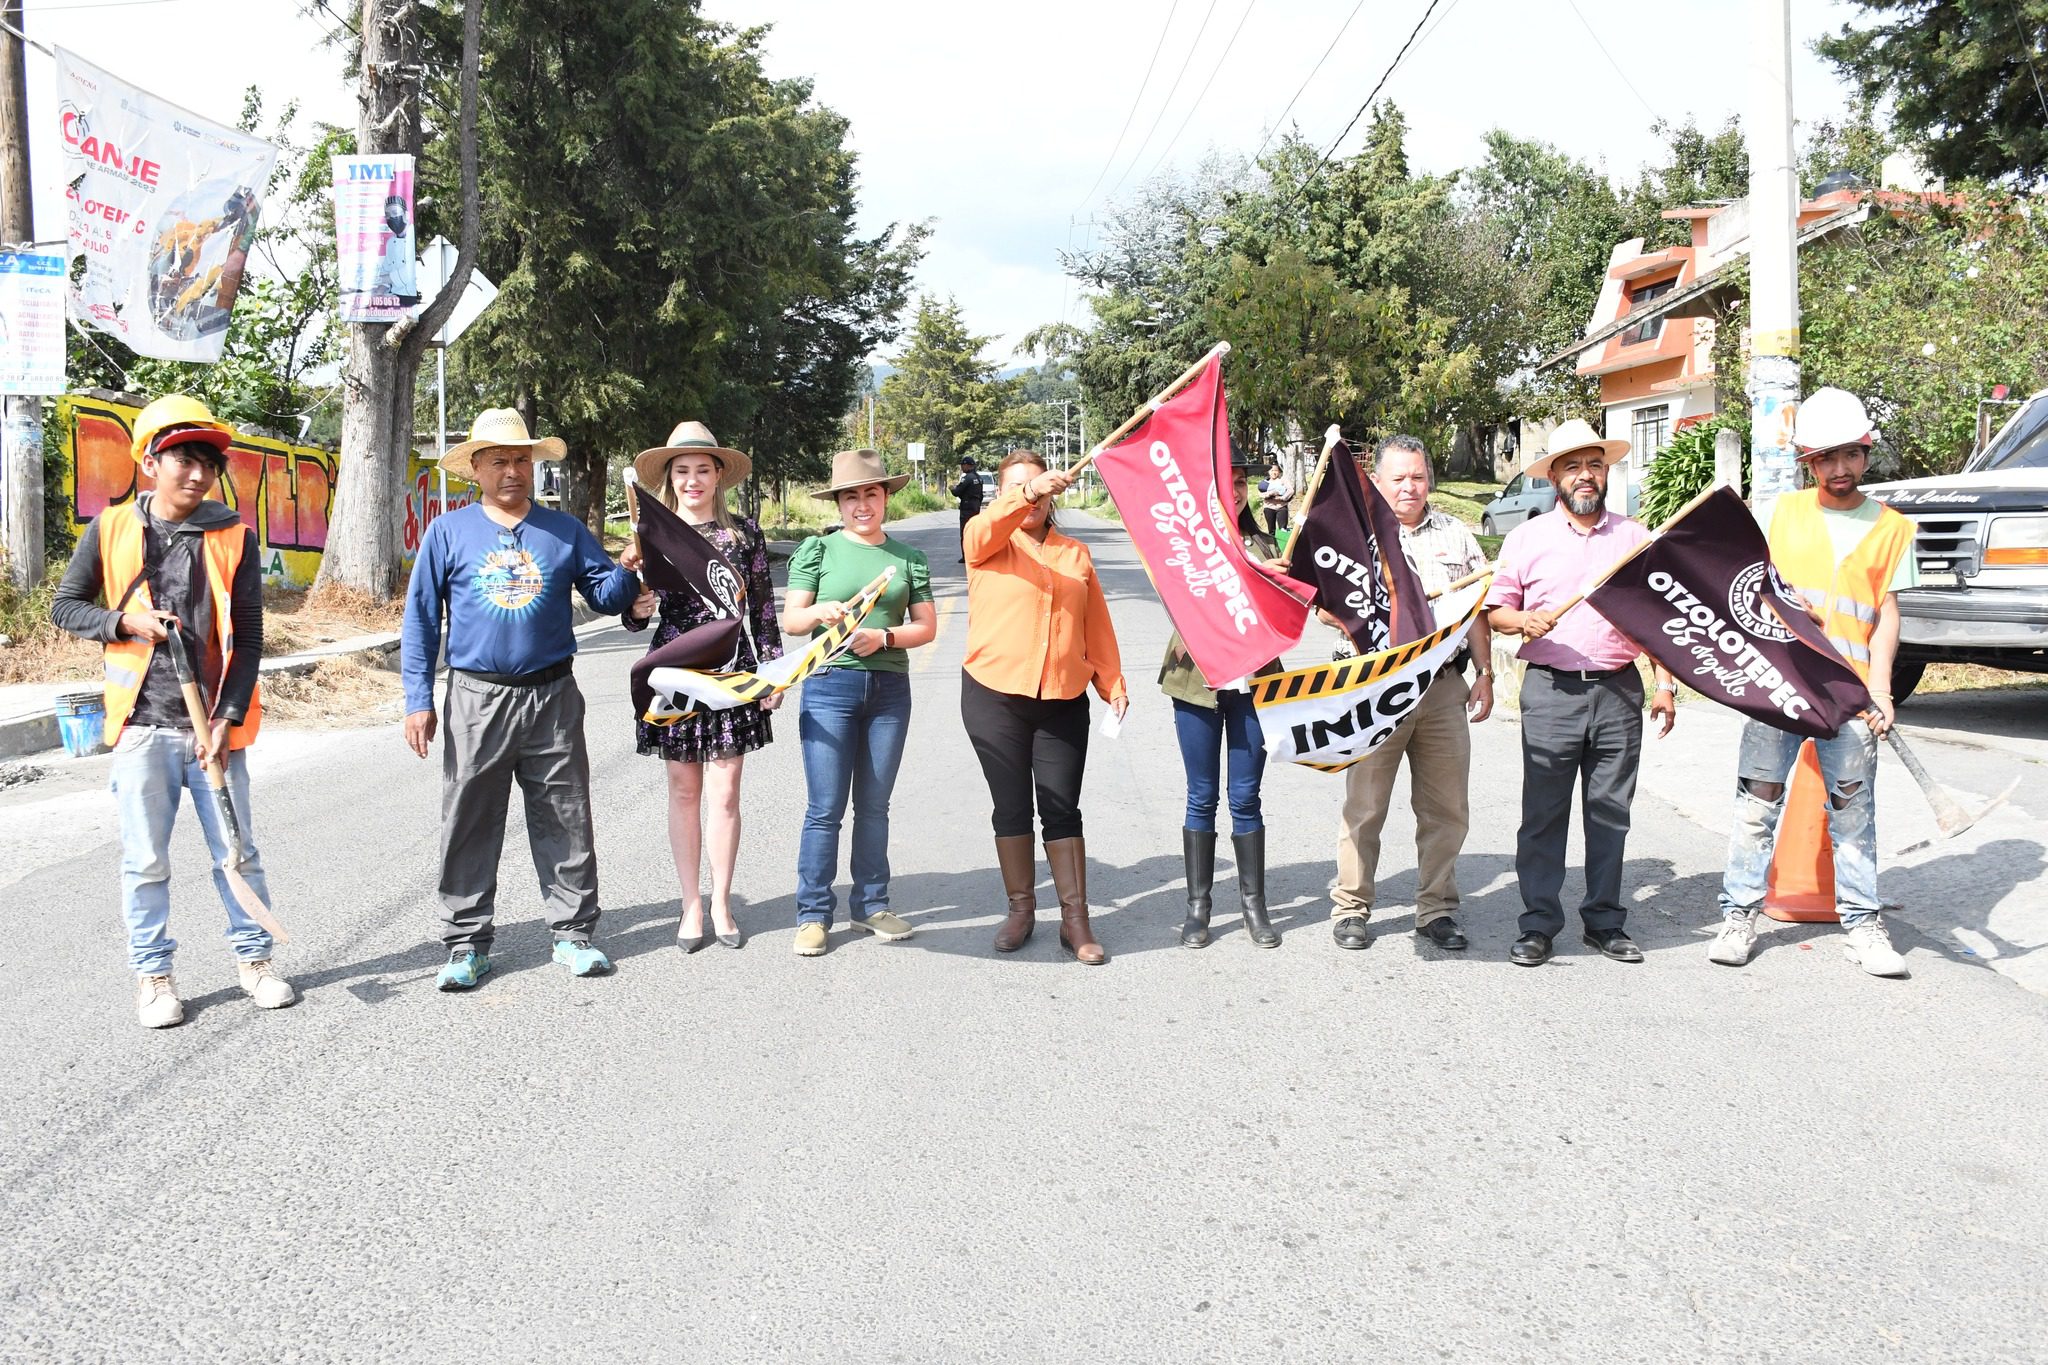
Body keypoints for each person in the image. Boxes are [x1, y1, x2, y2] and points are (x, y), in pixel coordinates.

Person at [50, 395, 294, 1028]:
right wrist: (121, 621)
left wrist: (226, 717)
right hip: (141, 728)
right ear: (150, 462)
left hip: (210, 727)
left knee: (237, 853)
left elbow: (248, 640)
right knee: (145, 862)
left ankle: (256, 963)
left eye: (208, 464)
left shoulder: (234, 536)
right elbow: (65, 606)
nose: (197, 474)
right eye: (183, 459)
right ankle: (154, 978)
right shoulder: (109, 530)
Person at [401, 408, 649, 990]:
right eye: (499, 461)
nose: (512, 470)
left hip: (552, 697)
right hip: (475, 698)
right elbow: (419, 621)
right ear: (477, 469)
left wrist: (630, 569)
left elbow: (606, 595)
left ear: (532, 465)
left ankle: (574, 934)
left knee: (564, 814)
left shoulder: (561, 530)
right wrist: (418, 697)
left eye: (520, 459)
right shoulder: (448, 533)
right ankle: (465, 942)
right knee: (468, 819)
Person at [1709, 388, 1917, 977]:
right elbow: (1747, 585)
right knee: (1757, 804)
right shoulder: (1781, 513)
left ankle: (1863, 926)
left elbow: (1886, 616)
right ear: (1809, 461)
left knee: (1853, 814)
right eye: (1826, 458)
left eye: (1850, 454)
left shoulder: (1893, 529)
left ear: (1866, 452)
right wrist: (1777, 601)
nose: (1839, 468)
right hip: (1779, 687)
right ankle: (1739, 914)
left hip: (1850, 698)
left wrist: (1881, 691)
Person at [1486, 420, 1677, 968]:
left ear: (1607, 471)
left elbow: (1657, 622)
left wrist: (1663, 685)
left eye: (1594, 464)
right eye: (1572, 466)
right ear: (1553, 477)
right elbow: (1494, 611)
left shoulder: (1635, 539)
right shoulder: (1527, 538)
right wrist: (1522, 620)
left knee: (1610, 812)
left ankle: (1605, 922)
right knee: (1544, 813)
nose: (1584, 475)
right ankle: (1539, 924)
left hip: (1619, 692)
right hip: (1550, 691)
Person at [963, 449, 1129, 964]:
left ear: (1056, 493)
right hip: (994, 696)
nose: (1030, 495)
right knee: (1010, 806)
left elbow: (1095, 621)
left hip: (1061, 698)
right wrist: (1026, 491)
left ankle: (1075, 921)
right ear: (1002, 493)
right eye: (1016, 487)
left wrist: (1112, 682)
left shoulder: (1074, 553)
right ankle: (1020, 910)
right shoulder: (986, 543)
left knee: (1061, 807)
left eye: (1037, 486)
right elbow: (981, 531)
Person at [1329, 435, 1494, 952]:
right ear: (1377, 481)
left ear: (1430, 480)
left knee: (1446, 809)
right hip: (1375, 688)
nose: (1409, 486)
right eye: (1398, 477)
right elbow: (1322, 605)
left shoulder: (1455, 534)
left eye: (1418, 476)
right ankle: (1352, 907)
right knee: (1365, 805)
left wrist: (1486, 673)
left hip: (1443, 689)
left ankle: (1437, 909)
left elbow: (1478, 609)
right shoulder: (1353, 536)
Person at [623, 421, 783, 952]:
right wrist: (635, 606)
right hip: (674, 673)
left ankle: (722, 901)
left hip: (731, 672)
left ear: (719, 476)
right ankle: (690, 903)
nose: (693, 480)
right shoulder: (651, 536)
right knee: (684, 789)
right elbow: (638, 615)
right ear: (670, 478)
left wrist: (773, 672)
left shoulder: (744, 535)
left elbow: (761, 609)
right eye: (682, 471)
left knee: (727, 791)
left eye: (703, 470)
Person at [780, 449, 939, 957]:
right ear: (840, 502)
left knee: (874, 806)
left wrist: (886, 638)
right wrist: (820, 612)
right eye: (852, 496)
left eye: (871, 493)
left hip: (890, 691)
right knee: (825, 808)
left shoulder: (908, 558)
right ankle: (812, 914)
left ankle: (871, 904)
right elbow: (791, 621)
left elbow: (926, 626)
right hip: (829, 686)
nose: (862, 504)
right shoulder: (817, 551)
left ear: (886, 497)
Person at [1161, 449, 1286, 948]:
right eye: (1223, 482)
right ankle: (1199, 909)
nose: (1233, 490)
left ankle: (1254, 906)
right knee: (1201, 796)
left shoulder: (1265, 540)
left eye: (1239, 483)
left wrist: (1276, 581)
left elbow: (1286, 610)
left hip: (1256, 683)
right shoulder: (1186, 542)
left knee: (1246, 797)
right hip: (1196, 679)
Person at [950, 455, 985, 562]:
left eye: (962, 465)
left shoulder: (967, 478)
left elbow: (957, 492)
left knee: (965, 532)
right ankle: (977, 554)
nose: (961, 467)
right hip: (976, 507)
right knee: (975, 531)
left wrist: (952, 488)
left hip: (967, 508)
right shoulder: (978, 478)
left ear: (967, 465)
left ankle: (966, 556)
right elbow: (980, 494)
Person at [1260, 459, 1294, 537]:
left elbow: (1290, 490)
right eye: (1271, 470)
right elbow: (1261, 494)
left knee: (1283, 529)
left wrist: (1282, 498)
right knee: (1271, 530)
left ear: (1279, 472)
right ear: (1268, 472)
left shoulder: (1283, 480)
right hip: (1268, 507)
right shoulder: (1265, 483)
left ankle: (1283, 547)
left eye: (1276, 470)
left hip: (1281, 507)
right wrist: (1269, 494)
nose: (1274, 472)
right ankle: (1273, 546)